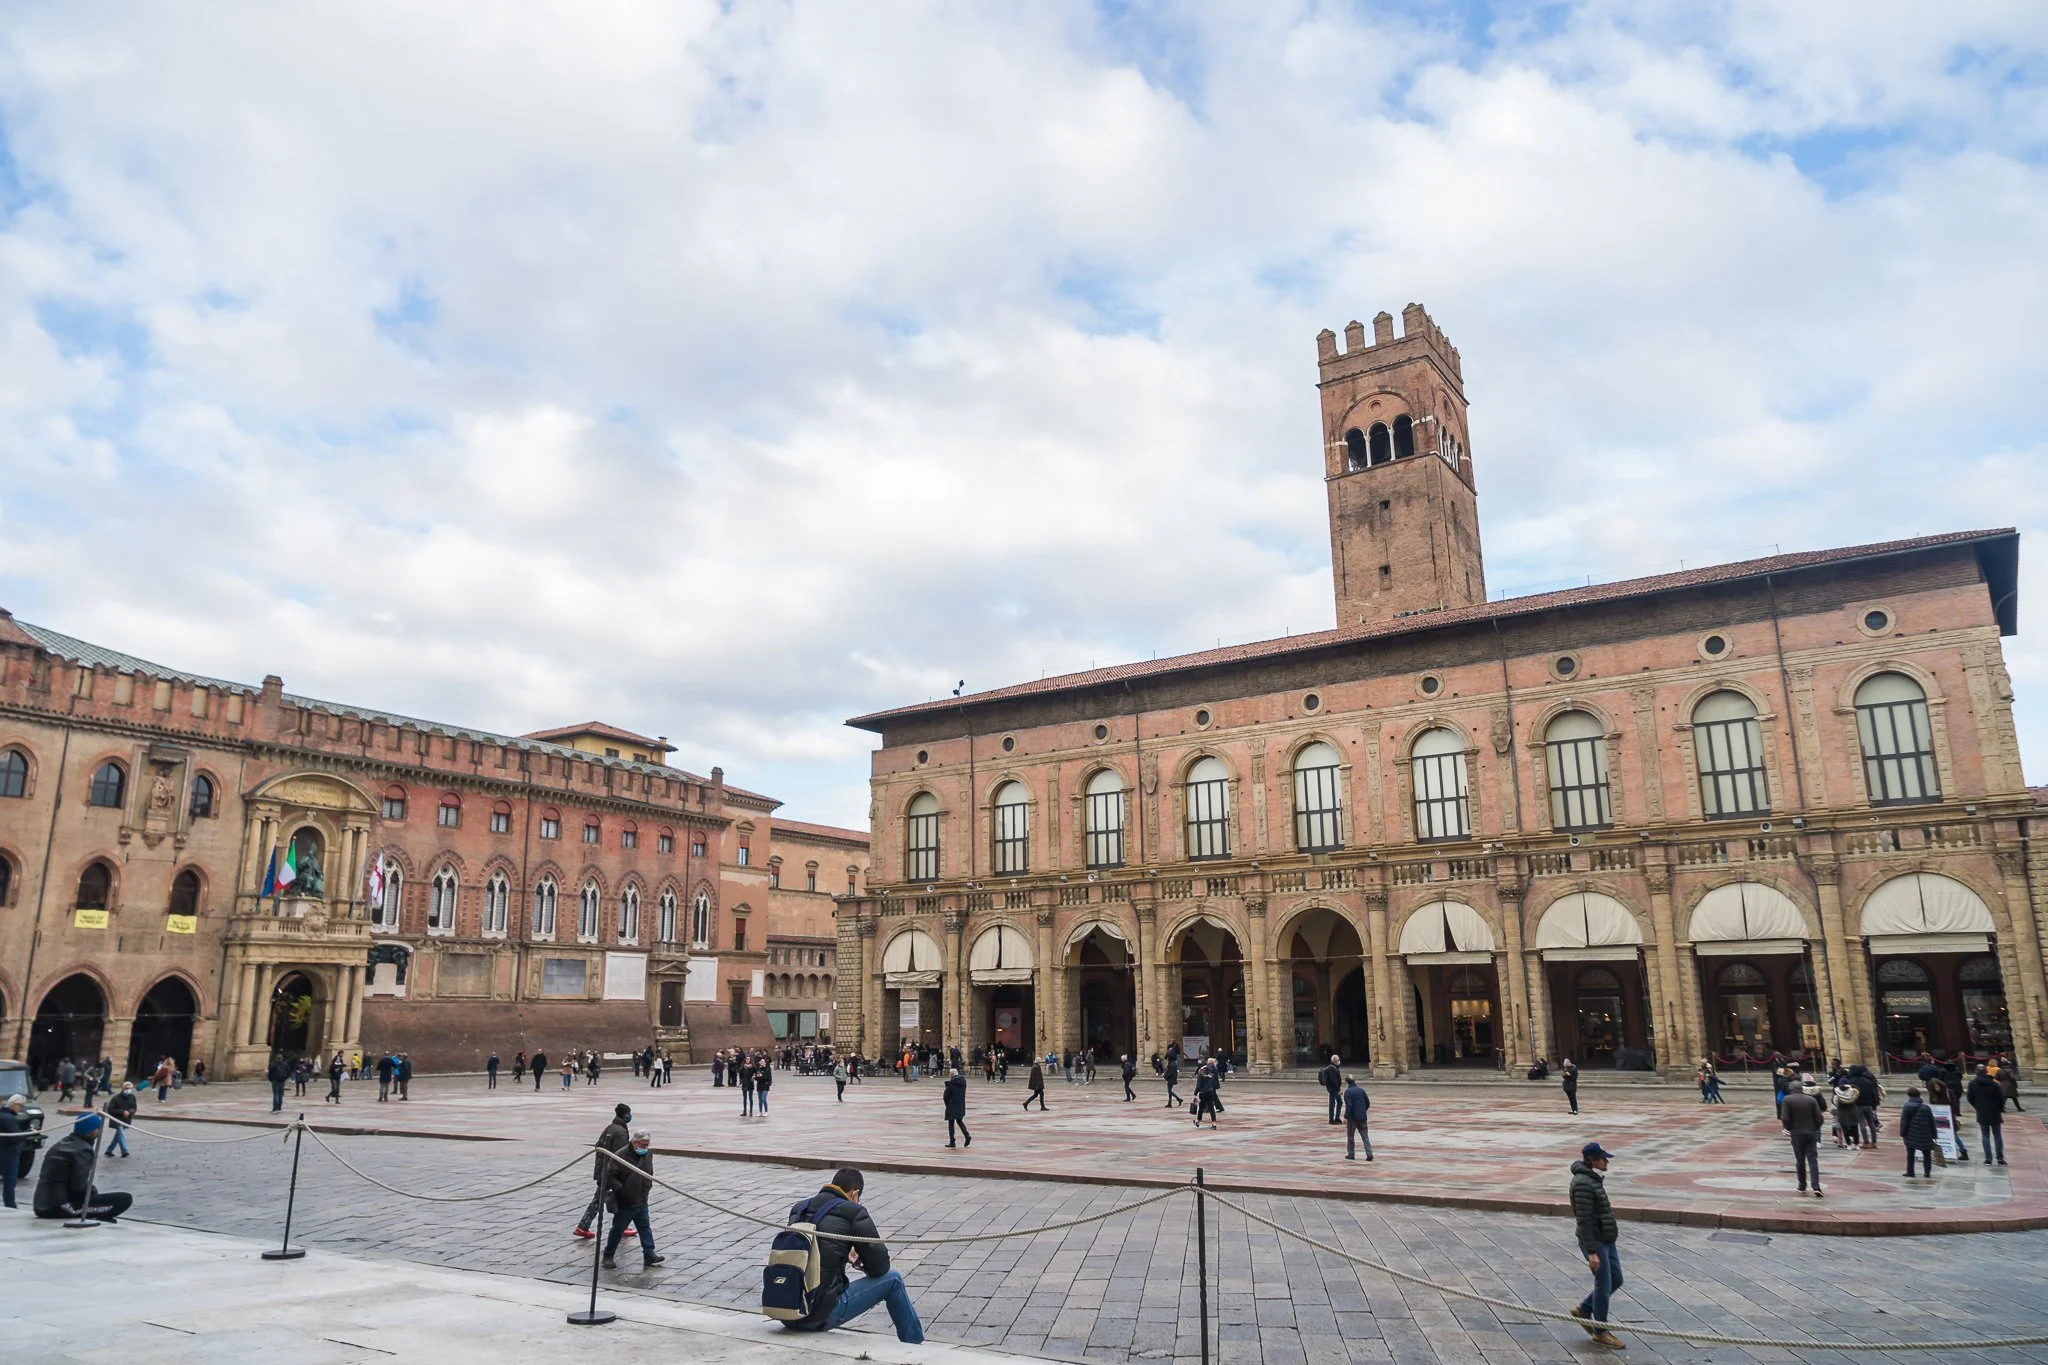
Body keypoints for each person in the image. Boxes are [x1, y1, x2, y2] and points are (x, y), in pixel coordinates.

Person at [779, 1168, 924, 1343]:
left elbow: (810, 1247)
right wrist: (863, 1260)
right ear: (855, 1194)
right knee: (893, 1280)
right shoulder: (854, 1212)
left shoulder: (799, 1209)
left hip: (786, 1311)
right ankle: (915, 1344)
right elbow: (880, 1268)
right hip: (818, 1316)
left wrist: (843, 1250)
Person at [1567, 1142, 1625, 1350]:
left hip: (1606, 1238)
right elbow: (1584, 1220)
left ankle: (1585, 1309)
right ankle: (1600, 1332)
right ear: (1592, 1160)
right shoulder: (1583, 1183)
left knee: (1616, 1279)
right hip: (1595, 1241)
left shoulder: (1592, 1179)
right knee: (1603, 1284)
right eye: (1603, 1158)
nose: (1606, 1161)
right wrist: (1592, 1253)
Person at [34, 1114, 132, 1223]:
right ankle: (98, 1216)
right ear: (89, 1131)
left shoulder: (61, 1144)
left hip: (40, 1205)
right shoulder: (83, 1149)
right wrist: (94, 1193)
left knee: (96, 1200)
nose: (99, 1131)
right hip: (59, 1208)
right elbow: (79, 1187)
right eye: (97, 1128)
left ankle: (98, 1215)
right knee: (124, 1199)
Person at [600, 1130, 665, 1271]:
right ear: (635, 1143)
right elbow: (610, 1176)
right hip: (626, 1201)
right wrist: (622, 1190)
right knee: (617, 1229)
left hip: (641, 1199)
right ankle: (608, 1256)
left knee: (645, 1227)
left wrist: (646, 1189)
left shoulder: (648, 1154)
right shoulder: (620, 1156)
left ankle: (649, 1254)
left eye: (647, 1145)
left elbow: (649, 1172)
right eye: (643, 1144)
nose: (645, 1147)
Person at [575, 1104, 636, 1240]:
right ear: (625, 1115)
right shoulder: (620, 1132)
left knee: (600, 1199)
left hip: (604, 1170)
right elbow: (620, 1155)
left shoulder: (611, 1127)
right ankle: (620, 1226)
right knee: (619, 1198)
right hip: (612, 1173)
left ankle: (584, 1226)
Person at [1780, 1076, 1824, 1197]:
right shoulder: (1811, 1100)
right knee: (1813, 1159)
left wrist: (1789, 1128)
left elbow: (1785, 1117)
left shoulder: (1787, 1100)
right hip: (1810, 1132)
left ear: (1791, 1089)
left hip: (1796, 1133)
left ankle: (1802, 1184)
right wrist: (1814, 1128)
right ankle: (1816, 1186)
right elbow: (1819, 1118)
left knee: (1800, 1160)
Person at [1966, 1064, 2008, 1166]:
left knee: (1985, 1135)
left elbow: (1970, 1098)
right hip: (1994, 1111)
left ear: (1976, 1072)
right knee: (1997, 1135)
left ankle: (1988, 1159)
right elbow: (2001, 1099)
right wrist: (2000, 1108)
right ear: (1986, 1072)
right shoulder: (1994, 1084)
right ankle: (2000, 1158)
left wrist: (1977, 1107)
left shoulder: (1972, 1084)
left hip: (1982, 1112)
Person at [1899, 1086, 1938, 1178]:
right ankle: (1927, 1172)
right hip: (1925, 1134)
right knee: (1927, 1154)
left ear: (1909, 1095)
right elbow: (1932, 1122)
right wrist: (1934, 1135)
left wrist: (1902, 1133)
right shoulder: (1926, 1107)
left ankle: (1910, 1171)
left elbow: (1904, 1122)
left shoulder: (1907, 1106)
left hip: (1911, 1134)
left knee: (1910, 1154)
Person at [1, 1095, 29, 1208]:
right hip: (9, 1154)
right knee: (9, 1181)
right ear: (13, 1104)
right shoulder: (9, 1118)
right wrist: (28, 1132)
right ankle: (10, 1205)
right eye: (20, 1106)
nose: (21, 1108)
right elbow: (15, 1137)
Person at [1341, 1076, 1372, 1160]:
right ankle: (1369, 1153)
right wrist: (1363, 1110)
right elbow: (1367, 1102)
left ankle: (1351, 1154)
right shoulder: (1361, 1090)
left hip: (1352, 1118)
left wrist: (1346, 1117)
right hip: (1362, 1116)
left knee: (1350, 1137)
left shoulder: (1348, 1092)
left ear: (1347, 1082)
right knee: (1365, 1136)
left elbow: (1349, 1106)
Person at [104, 1083, 138, 1156]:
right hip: (117, 1119)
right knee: (121, 1133)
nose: (128, 1090)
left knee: (118, 1135)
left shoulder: (132, 1097)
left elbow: (134, 1108)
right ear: (122, 1088)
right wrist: (122, 1112)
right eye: (126, 1088)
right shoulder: (116, 1098)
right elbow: (110, 1109)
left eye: (129, 1088)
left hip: (126, 1119)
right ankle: (124, 1150)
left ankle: (109, 1150)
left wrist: (129, 1112)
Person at [942, 1067, 971, 1147]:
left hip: (952, 1105)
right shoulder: (963, 1081)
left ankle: (952, 1141)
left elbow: (945, 1096)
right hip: (960, 1104)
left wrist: (947, 1105)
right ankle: (967, 1135)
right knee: (959, 1121)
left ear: (952, 1074)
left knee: (951, 1123)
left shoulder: (951, 1084)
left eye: (949, 1073)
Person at [1831, 1075, 1862, 1149]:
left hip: (1842, 1111)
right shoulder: (1853, 1090)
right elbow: (1857, 1098)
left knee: (1845, 1129)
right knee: (1855, 1128)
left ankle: (1849, 1144)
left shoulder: (1836, 1091)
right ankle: (1856, 1144)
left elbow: (1834, 1102)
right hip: (1852, 1110)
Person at [1191, 1061, 1219, 1128]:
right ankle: (1214, 1123)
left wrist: (1195, 1093)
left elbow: (1198, 1086)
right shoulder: (1211, 1075)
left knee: (1201, 1108)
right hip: (1210, 1092)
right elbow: (1214, 1083)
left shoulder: (1201, 1075)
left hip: (1203, 1093)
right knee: (1211, 1108)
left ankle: (1198, 1121)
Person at [1319, 1054, 1344, 1124]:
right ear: (1334, 1061)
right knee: (1332, 1104)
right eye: (1337, 1060)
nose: (1338, 1061)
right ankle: (1331, 1119)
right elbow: (1333, 1080)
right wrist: (1338, 1089)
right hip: (1333, 1089)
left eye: (1338, 1059)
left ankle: (1337, 1118)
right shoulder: (1332, 1068)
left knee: (1340, 1102)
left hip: (1334, 1089)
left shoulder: (1334, 1067)